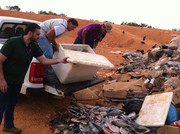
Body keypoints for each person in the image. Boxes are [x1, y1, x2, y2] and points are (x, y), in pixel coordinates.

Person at [0, 23, 68, 134]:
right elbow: (0, 60)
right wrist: (1, 80)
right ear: (30, 33)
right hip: (5, 81)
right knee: (1, 106)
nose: (39, 37)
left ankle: (8, 125)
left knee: (11, 105)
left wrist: (60, 61)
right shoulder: (13, 42)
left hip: (17, 82)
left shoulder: (33, 46)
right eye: (37, 34)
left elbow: (44, 60)